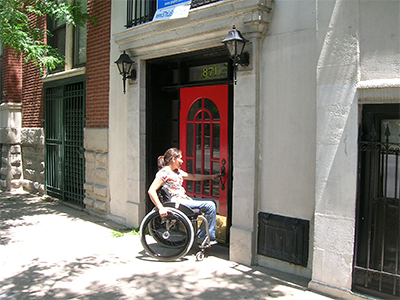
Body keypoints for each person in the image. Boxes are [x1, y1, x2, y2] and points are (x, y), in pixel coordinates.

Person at [148, 148, 220, 245]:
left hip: (184, 199)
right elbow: (151, 190)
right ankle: (204, 238)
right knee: (210, 205)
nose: (182, 161)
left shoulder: (176, 171)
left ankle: (203, 236)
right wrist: (160, 208)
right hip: (177, 202)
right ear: (173, 159)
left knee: (212, 202)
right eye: (180, 158)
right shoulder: (164, 173)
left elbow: (193, 177)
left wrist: (211, 176)